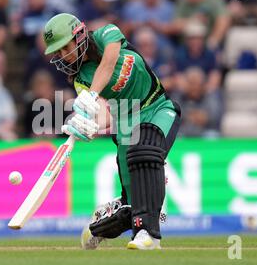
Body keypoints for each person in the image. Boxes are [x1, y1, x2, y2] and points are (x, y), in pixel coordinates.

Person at [42, 13, 181, 250]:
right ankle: (97, 227)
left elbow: (108, 62)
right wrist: (89, 125)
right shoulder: (80, 80)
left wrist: (91, 95)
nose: (62, 56)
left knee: (144, 151)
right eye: (57, 53)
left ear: (79, 36)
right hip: (126, 124)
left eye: (64, 48)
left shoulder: (107, 34)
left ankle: (148, 237)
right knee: (133, 204)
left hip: (158, 107)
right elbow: (107, 115)